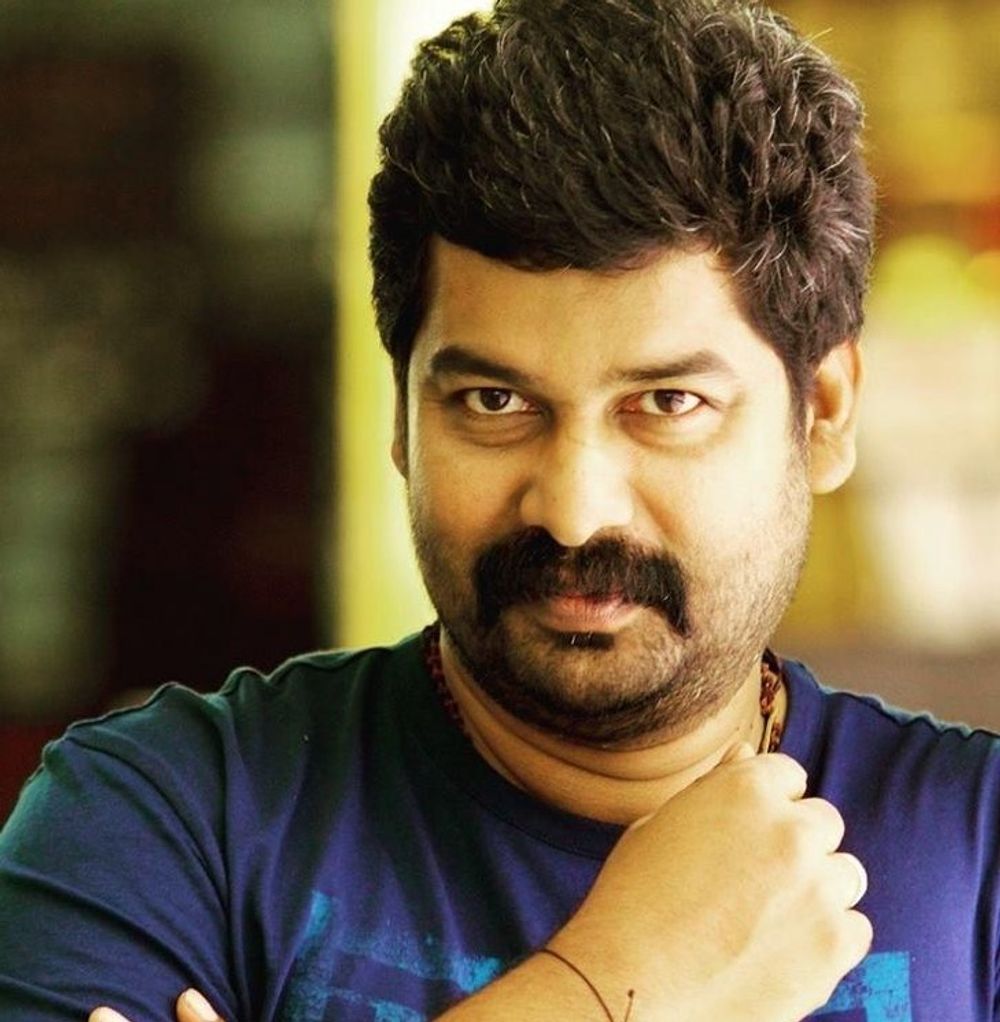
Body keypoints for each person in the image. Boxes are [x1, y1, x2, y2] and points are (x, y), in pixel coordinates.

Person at [3, 1, 998, 1020]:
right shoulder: (164, 822)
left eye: (667, 404)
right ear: (400, 415)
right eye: (493, 402)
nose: (572, 510)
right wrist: (625, 982)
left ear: (821, 413)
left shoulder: (982, 858)